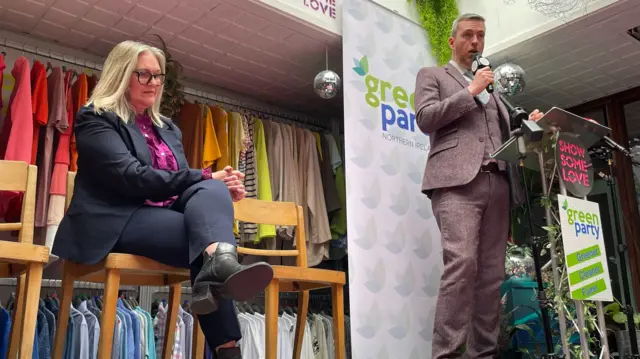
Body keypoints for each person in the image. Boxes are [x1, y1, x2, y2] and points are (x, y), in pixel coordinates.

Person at [52, 40, 273, 359]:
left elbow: (183, 184)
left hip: (164, 216)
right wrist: (206, 177)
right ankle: (228, 346)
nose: (154, 82)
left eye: (158, 76)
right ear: (121, 74)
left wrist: (217, 186)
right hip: (116, 220)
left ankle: (218, 264)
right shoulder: (97, 118)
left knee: (209, 205)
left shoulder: (167, 128)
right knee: (205, 234)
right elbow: (131, 177)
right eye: (144, 74)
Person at [414, 13, 544, 359]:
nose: (475, 42)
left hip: (499, 183)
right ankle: (447, 354)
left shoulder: (493, 92)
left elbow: (500, 137)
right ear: (452, 41)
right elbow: (425, 119)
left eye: (481, 36)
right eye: (468, 35)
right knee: (462, 264)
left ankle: (483, 354)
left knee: (491, 275)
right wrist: (471, 91)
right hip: (456, 183)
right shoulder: (433, 76)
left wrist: (525, 128)